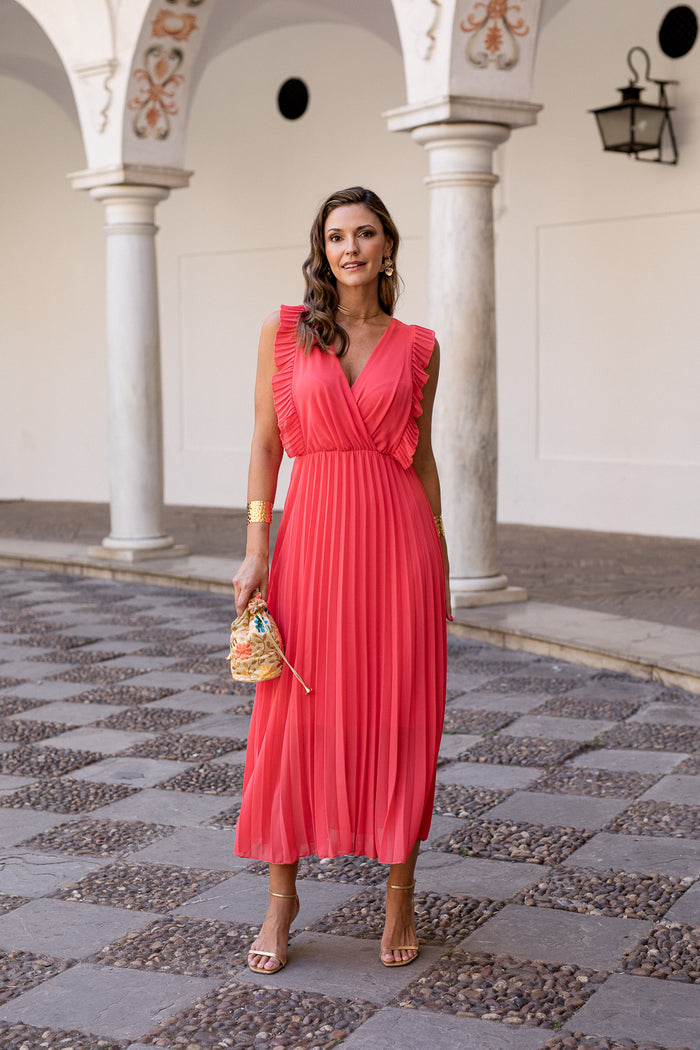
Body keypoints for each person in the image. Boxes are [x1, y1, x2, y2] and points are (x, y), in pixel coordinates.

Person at [232, 186, 450, 975]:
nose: (350, 248)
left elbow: (421, 457)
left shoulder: (420, 345)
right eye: (335, 236)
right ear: (321, 250)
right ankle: (281, 902)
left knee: (399, 712)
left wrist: (441, 549)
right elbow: (265, 446)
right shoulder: (287, 331)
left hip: (399, 546)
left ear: (389, 245)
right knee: (294, 714)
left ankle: (400, 892)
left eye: (364, 234)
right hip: (312, 540)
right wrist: (257, 548)